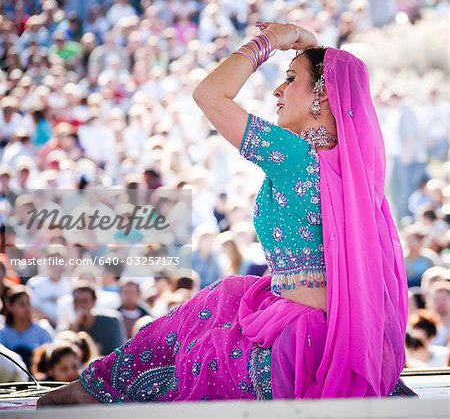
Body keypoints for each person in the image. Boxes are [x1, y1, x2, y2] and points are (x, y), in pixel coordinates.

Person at [38, 22, 416, 405]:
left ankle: (83, 396)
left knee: (206, 317)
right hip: (338, 340)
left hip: (295, 343)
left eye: (289, 79)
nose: (277, 90)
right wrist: (313, 53)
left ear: (322, 93)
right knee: (224, 299)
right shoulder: (353, 171)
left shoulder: (295, 157)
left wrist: (273, 40)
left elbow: (209, 94)